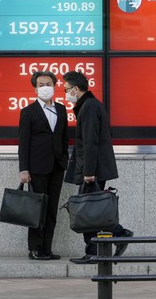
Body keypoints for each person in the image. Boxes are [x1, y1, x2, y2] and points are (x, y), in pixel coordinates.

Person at [62, 71, 134, 264]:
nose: (65, 93)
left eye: (66, 89)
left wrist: (88, 172)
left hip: (92, 170)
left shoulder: (89, 107)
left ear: (76, 89)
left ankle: (107, 242)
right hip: (93, 167)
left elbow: (91, 142)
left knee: (87, 211)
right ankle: (116, 236)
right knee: (91, 210)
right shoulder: (90, 105)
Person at [18, 71, 69, 261]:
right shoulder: (28, 112)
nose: (45, 87)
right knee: (37, 210)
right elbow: (23, 143)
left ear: (55, 86)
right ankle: (35, 249)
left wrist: (64, 160)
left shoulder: (62, 109)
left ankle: (47, 249)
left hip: (57, 167)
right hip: (37, 168)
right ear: (35, 88)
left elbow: (64, 138)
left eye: (48, 83)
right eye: (41, 84)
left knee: (52, 210)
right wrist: (24, 169)